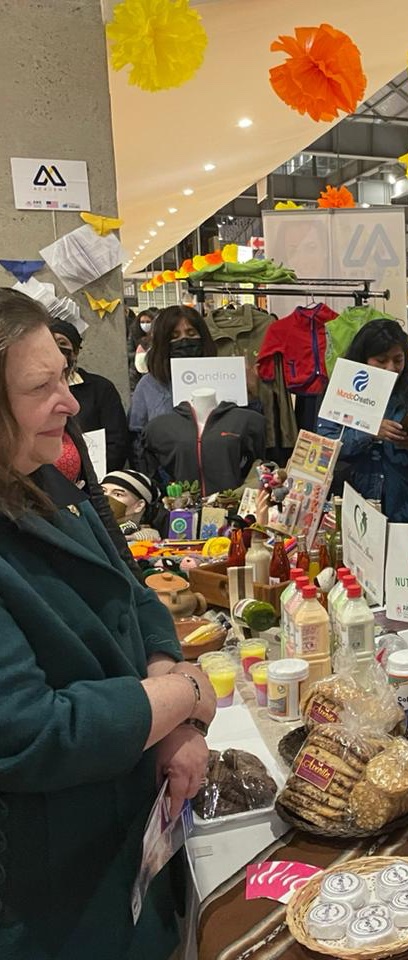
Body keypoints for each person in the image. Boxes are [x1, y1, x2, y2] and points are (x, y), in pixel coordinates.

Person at [0, 289, 216, 959]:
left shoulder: (44, 479)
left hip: (126, 836)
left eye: (64, 375)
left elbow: (134, 592)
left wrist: (165, 693)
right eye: (43, 387)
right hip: (55, 889)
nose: (69, 401)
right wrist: (182, 694)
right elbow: (33, 730)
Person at [318, 318, 408, 523]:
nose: (390, 368)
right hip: (354, 508)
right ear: (363, 359)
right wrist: (369, 430)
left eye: (398, 360)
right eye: (381, 360)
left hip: (405, 513)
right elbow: (325, 449)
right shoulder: (341, 392)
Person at [50, 320, 129, 471]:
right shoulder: (34, 390)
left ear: (75, 351)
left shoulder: (100, 388)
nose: (56, 349)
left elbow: (117, 441)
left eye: (62, 343)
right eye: (50, 343)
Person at [128, 305, 216, 438]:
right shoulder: (148, 385)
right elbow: (135, 435)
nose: (184, 341)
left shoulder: (223, 376)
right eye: (174, 336)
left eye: (191, 333)